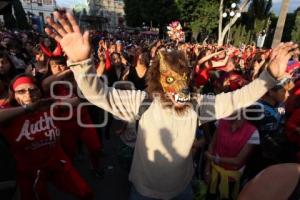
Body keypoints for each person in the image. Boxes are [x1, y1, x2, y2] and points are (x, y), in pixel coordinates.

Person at [45, 11, 297, 200]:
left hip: (182, 191)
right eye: (169, 80)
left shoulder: (197, 106)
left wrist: (268, 77)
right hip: (143, 193)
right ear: (158, 81)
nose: (178, 89)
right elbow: (96, 93)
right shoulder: (141, 102)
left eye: (183, 80)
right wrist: (80, 63)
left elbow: (235, 99)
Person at [0, 74, 93, 200]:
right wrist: (27, 109)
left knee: (85, 192)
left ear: (40, 91)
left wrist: (92, 91)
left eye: (33, 90)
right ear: (13, 95)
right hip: (29, 170)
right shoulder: (8, 111)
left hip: (56, 160)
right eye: (21, 91)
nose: (28, 95)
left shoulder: (48, 105)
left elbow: (78, 101)